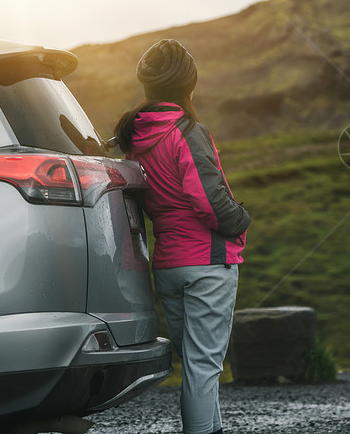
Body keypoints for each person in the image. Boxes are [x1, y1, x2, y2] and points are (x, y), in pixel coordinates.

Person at [114, 39, 250, 434]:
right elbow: (210, 202)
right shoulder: (187, 131)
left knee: (195, 364)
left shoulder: (134, 137)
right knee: (204, 367)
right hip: (206, 263)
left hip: (168, 264)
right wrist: (241, 220)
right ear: (188, 85)